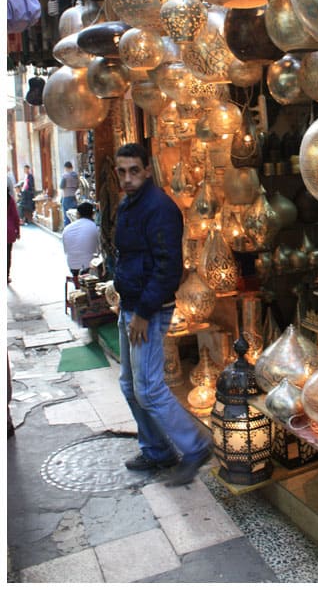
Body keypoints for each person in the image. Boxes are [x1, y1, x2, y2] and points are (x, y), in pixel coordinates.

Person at [113, 142, 212, 484]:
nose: (127, 178)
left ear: (147, 171)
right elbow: (130, 256)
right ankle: (157, 450)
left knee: (149, 389)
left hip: (148, 310)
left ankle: (196, 445)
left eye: (134, 171)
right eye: (122, 172)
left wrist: (142, 311)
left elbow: (168, 268)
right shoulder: (130, 205)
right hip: (131, 305)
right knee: (129, 385)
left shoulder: (159, 208)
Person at [62, 202, 100, 278]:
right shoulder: (95, 227)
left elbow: (66, 251)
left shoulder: (67, 228)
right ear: (93, 214)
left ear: (77, 214)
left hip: (73, 267)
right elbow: (100, 250)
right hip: (90, 267)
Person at [60, 161, 79, 226]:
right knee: (74, 217)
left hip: (66, 198)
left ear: (66, 168)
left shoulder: (65, 176)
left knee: (67, 217)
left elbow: (61, 186)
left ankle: (67, 233)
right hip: (74, 198)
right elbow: (77, 186)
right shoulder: (76, 176)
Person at [7, 187, 20, 283]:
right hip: (8, 230)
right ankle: (6, 276)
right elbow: (15, 216)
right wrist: (18, 231)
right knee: (7, 254)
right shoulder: (9, 199)